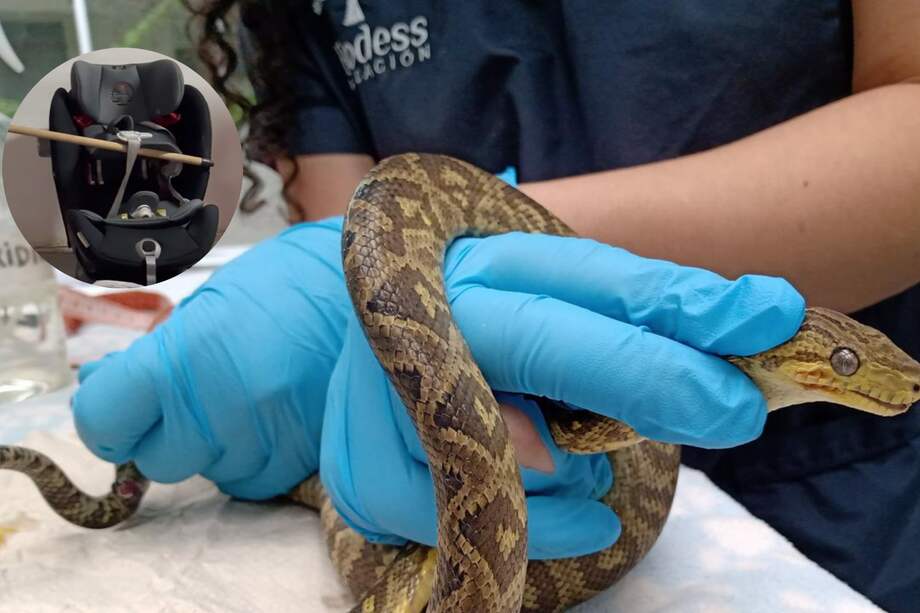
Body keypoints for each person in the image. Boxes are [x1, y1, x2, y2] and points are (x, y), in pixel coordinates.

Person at [78, 0, 920, 610]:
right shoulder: (298, 14)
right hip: (488, 445)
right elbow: (352, 229)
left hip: (851, 507)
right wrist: (340, 315)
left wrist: (474, 265)